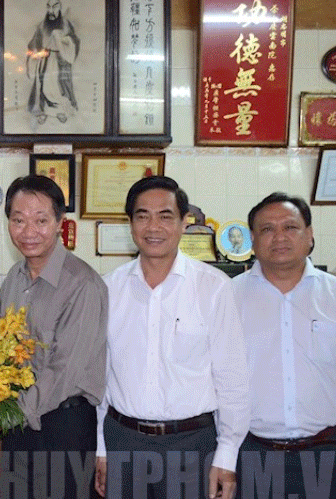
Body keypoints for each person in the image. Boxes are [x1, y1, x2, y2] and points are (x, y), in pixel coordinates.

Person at [95, 175, 250, 499]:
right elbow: (99, 378)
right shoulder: (108, 288)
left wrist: (227, 454)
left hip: (193, 445)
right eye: (142, 216)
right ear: (130, 224)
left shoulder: (213, 286)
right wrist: (101, 448)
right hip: (123, 441)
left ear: (183, 223)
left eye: (165, 216)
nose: (153, 227)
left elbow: (232, 378)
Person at [0, 175, 107, 499]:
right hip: (19, 423)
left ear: (60, 223)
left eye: (41, 220)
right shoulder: (15, 279)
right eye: (18, 220)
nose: (29, 232)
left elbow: (64, 372)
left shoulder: (82, 284)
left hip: (64, 426)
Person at [232, 193, 336, 498]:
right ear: (252, 239)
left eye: (290, 227)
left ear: (310, 235)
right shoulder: (227, 298)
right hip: (251, 453)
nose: (279, 237)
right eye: (266, 229)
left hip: (329, 455)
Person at [27, 0, 80, 124]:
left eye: (55, 6)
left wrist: (62, 39)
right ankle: (42, 111)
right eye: (49, 6)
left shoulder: (66, 24)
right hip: (44, 60)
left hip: (60, 60)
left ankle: (61, 111)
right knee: (43, 87)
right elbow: (34, 43)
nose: (51, 10)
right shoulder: (42, 25)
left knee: (58, 88)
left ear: (60, 7)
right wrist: (37, 53)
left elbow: (74, 41)